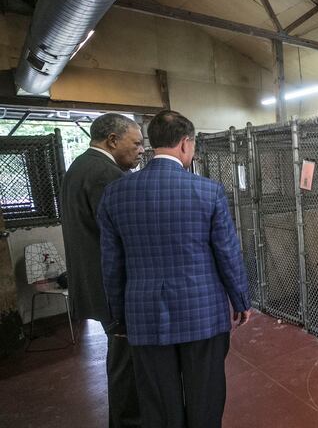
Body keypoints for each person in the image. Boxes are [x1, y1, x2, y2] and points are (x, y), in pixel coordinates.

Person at [97, 110, 251, 428]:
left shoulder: (115, 194)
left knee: (157, 401)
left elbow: (111, 265)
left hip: (144, 314)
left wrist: (118, 316)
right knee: (205, 395)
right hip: (202, 313)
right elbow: (227, 253)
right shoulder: (208, 192)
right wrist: (240, 299)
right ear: (185, 144)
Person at [60, 113, 144, 427]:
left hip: (93, 280)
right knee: (127, 362)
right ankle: (129, 421)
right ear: (112, 140)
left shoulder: (80, 166)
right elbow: (125, 234)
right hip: (112, 287)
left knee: (124, 356)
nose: (140, 150)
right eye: (135, 143)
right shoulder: (104, 174)